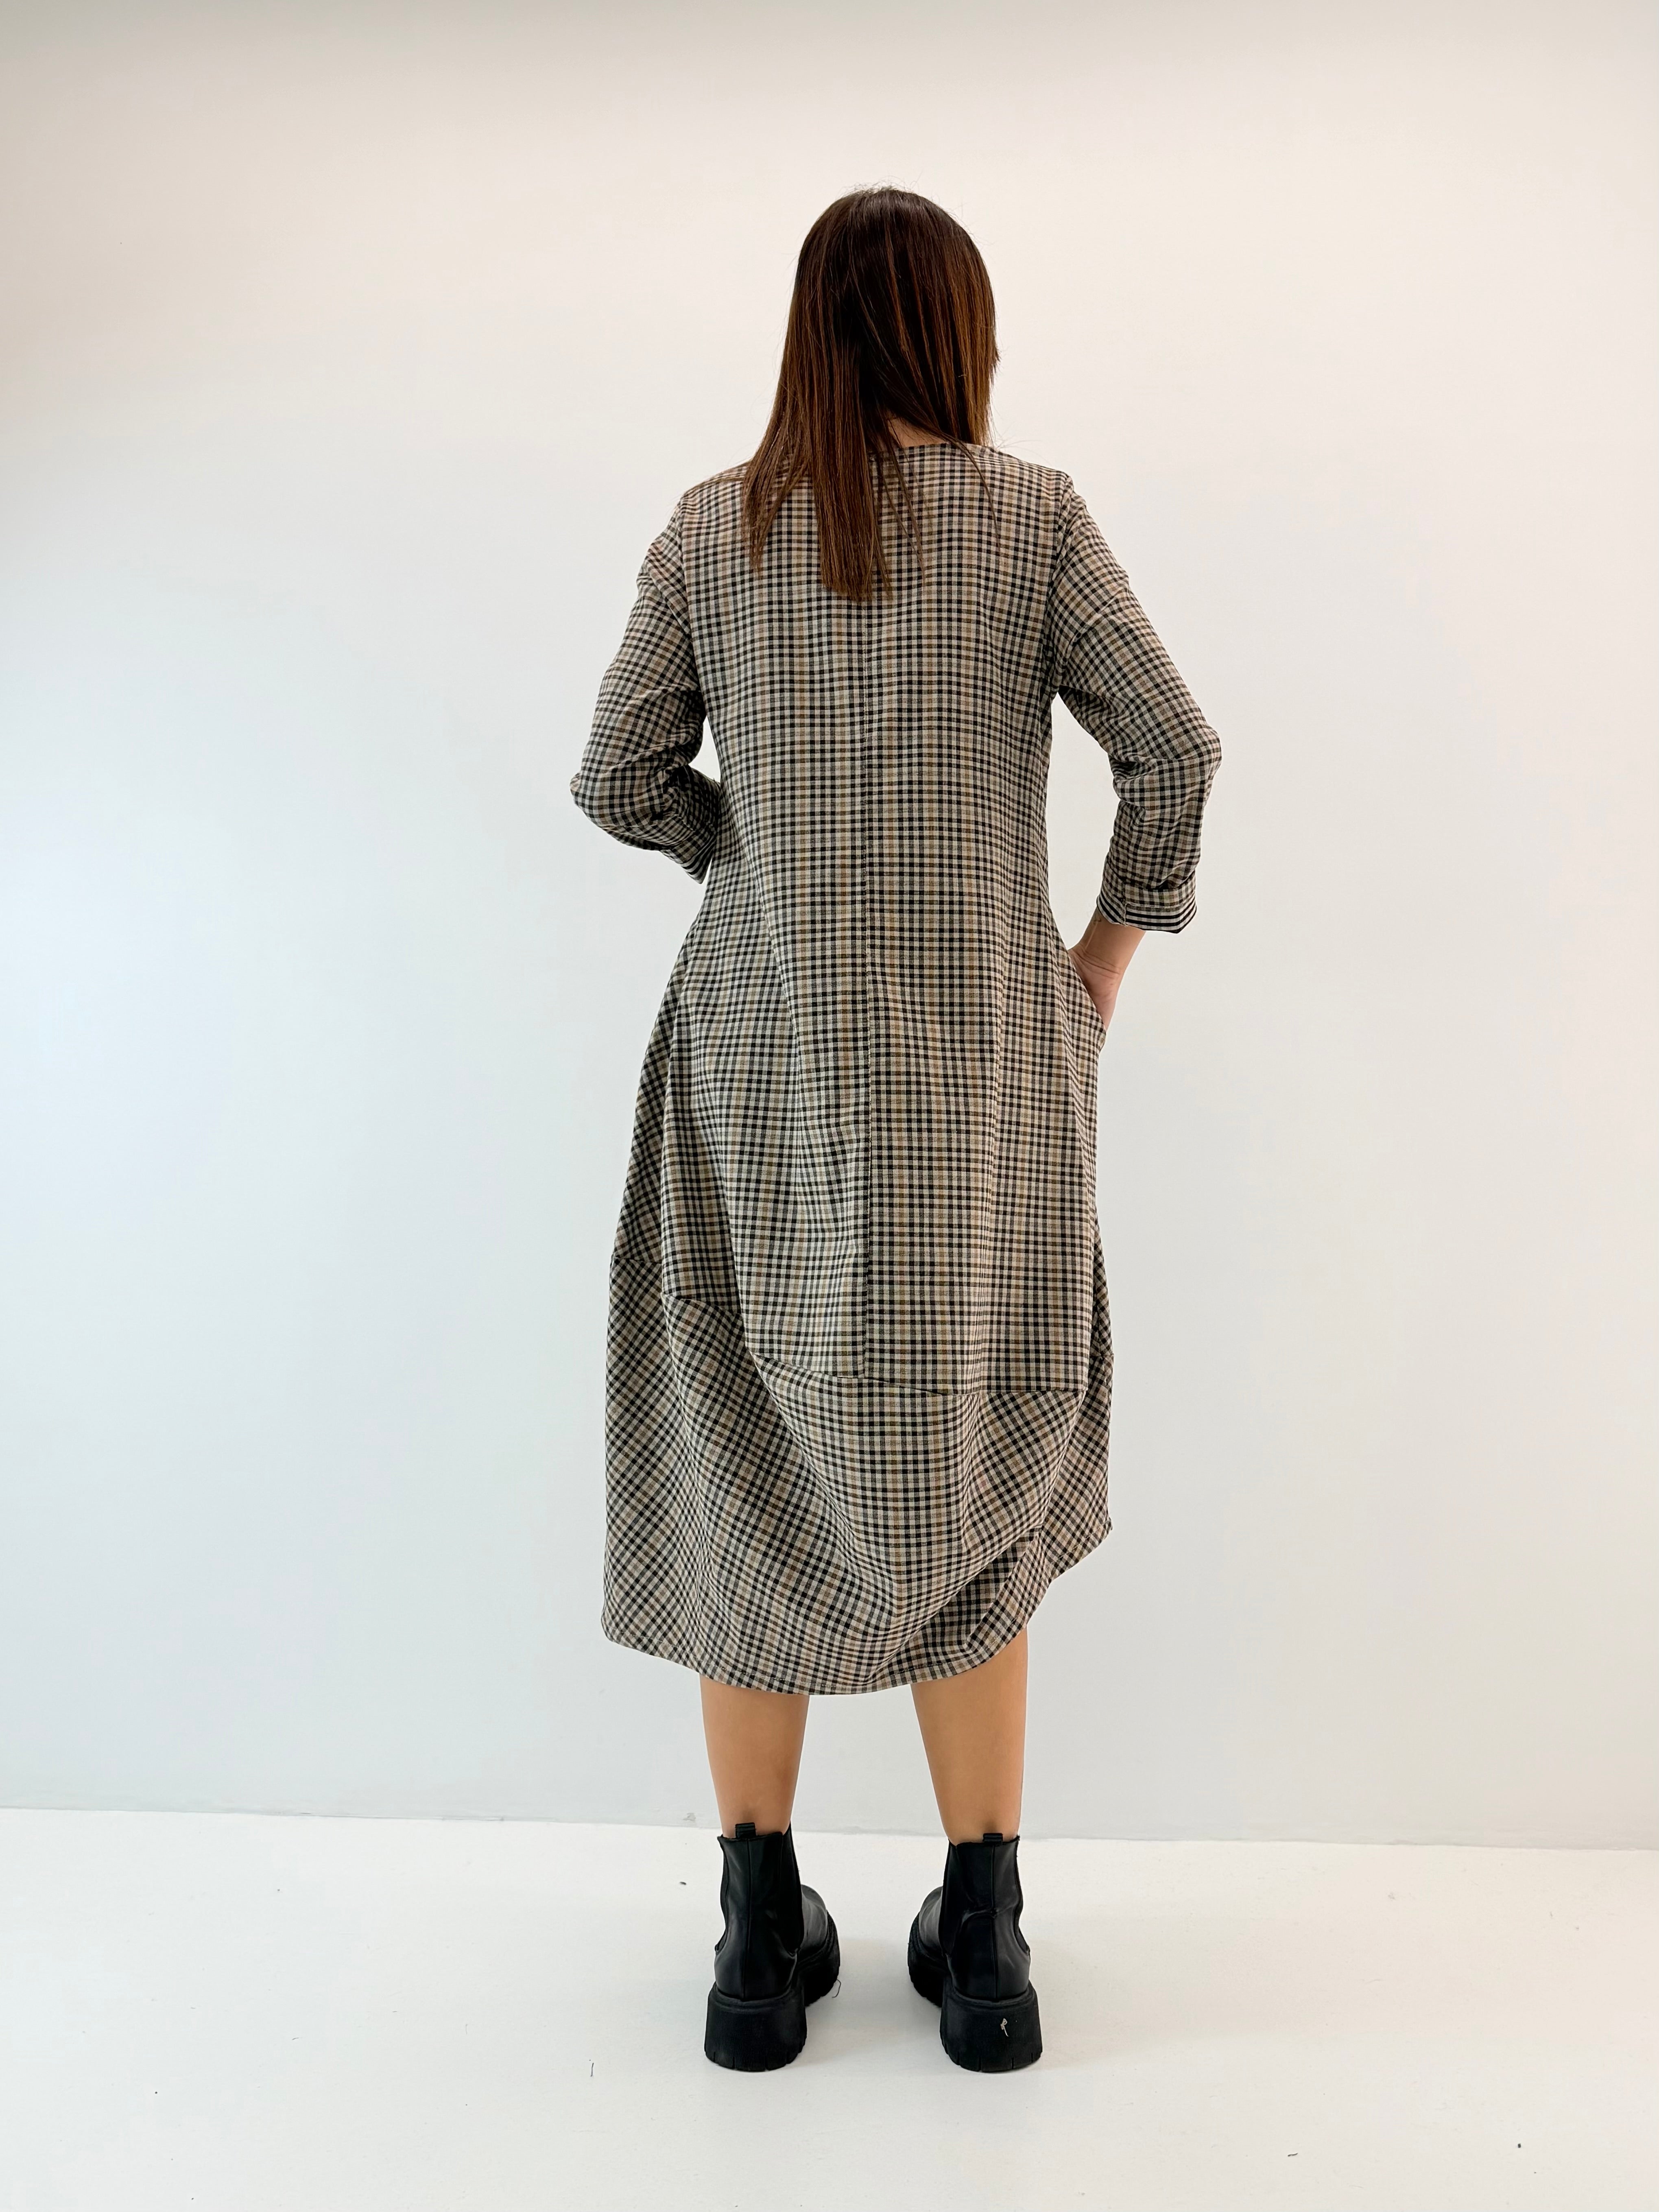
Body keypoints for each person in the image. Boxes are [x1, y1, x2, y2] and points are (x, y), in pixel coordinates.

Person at [570, 185, 1221, 2074]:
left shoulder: (715, 526)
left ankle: (755, 1942)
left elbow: (615, 772)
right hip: (989, 1080)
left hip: (759, 1073)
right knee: (986, 1446)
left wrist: (748, 864)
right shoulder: (1035, 520)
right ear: (958, 334)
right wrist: (1096, 965)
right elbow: (1174, 749)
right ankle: (989, 1938)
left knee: (741, 1453)